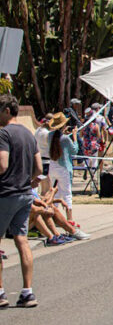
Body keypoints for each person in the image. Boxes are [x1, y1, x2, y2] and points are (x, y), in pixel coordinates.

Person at [0, 94, 44, 308]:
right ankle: (27, 292)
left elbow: (2, 165)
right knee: (21, 240)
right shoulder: (29, 134)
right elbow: (39, 168)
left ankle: (0, 293)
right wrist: (29, 181)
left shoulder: (4, 134)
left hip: (5, 194)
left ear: (7, 111)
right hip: (25, 194)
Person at [46, 113, 78, 223]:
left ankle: (54, 218)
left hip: (53, 167)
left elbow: (56, 140)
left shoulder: (50, 136)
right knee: (67, 194)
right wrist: (74, 137)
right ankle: (69, 219)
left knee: (56, 193)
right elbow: (74, 150)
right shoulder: (65, 139)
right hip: (63, 168)